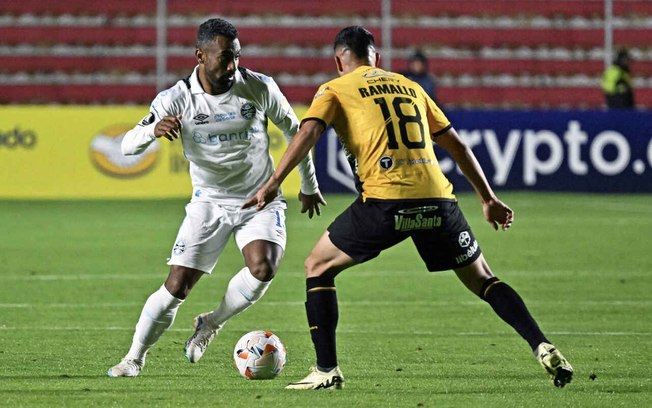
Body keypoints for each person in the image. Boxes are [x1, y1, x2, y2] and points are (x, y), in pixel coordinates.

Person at [244, 26, 574, 390]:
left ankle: (326, 370)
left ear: (339, 60)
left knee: (317, 266)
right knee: (483, 279)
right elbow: (458, 146)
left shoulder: (334, 88)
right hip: (437, 198)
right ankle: (541, 344)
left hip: (386, 200)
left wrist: (274, 182)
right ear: (377, 59)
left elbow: (307, 131)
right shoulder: (410, 86)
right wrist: (488, 198)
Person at [107, 17, 325, 377]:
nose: (233, 66)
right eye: (225, 58)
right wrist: (152, 131)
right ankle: (134, 357)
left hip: (259, 198)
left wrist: (309, 185)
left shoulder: (258, 87)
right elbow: (127, 146)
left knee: (263, 267)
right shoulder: (175, 99)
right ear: (200, 56)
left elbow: (296, 132)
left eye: (237, 56)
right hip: (209, 202)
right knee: (176, 286)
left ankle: (212, 322)